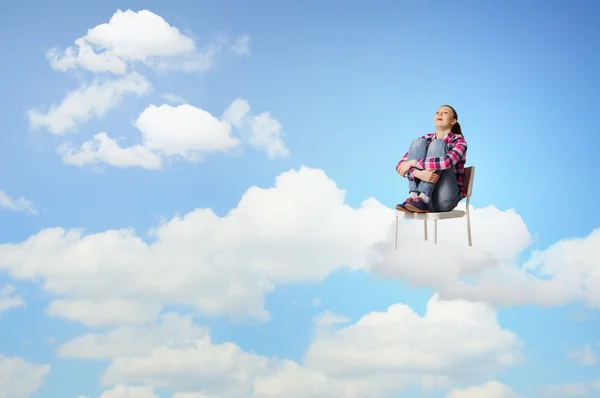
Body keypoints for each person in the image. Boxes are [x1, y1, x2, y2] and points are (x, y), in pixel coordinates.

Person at [395, 105, 468, 213]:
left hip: (444, 199)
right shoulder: (425, 139)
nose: (439, 114)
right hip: (417, 204)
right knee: (417, 143)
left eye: (445, 112)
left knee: (438, 144)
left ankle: (423, 198)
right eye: (437, 112)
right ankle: (414, 197)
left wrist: (412, 163)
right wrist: (417, 173)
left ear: (453, 121)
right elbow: (400, 166)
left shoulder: (459, 142)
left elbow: (446, 162)